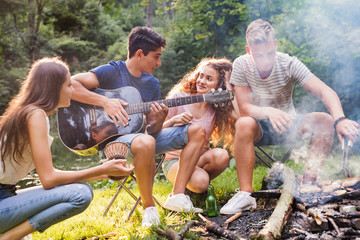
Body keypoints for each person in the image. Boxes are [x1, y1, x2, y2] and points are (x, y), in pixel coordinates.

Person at [220, 19, 360, 215]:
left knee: (325, 120)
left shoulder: (288, 63)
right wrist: (269, 111)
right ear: (248, 49)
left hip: (289, 125)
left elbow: (324, 91)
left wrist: (340, 119)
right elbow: (244, 108)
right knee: (243, 123)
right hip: (258, 127)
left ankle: (308, 186)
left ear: (275, 45)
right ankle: (246, 194)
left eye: (270, 53)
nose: (265, 60)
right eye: (259, 55)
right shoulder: (241, 64)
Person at [71, 26, 206, 227]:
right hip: (112, 142)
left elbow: (150, 130)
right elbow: (71, 85)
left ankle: (177, 196)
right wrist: (105, 102)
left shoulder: (152, 84)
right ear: (140, 54)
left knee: (197, 131)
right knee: (144, 142)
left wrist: (159, 120)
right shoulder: (112, 71)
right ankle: (149, 208)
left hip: (142, 139)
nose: (159, 63)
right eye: (156, 57)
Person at [0, 57, 134, 240]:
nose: (72, 90)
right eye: (69, 85)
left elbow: (49, 177)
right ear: (54, 88)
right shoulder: (35, 115)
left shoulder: (27, 112)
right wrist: (101, 169)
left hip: (7, 195)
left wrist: (103, 173)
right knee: (80, 194)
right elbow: (49, 180)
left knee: (80, 189)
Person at [161, 58, 235, 211]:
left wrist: (228, 85)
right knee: (201, 183)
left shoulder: (215, 108)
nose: (201, 81)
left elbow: (240, 116)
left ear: (218, 85)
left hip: (200, 160)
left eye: (209, 79)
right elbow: (156, 131)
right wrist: (173, 121)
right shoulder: (179, 98)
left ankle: (189, 188)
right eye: (201, 76)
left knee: (222, 156)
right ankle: (186, 190)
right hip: (175, 160)